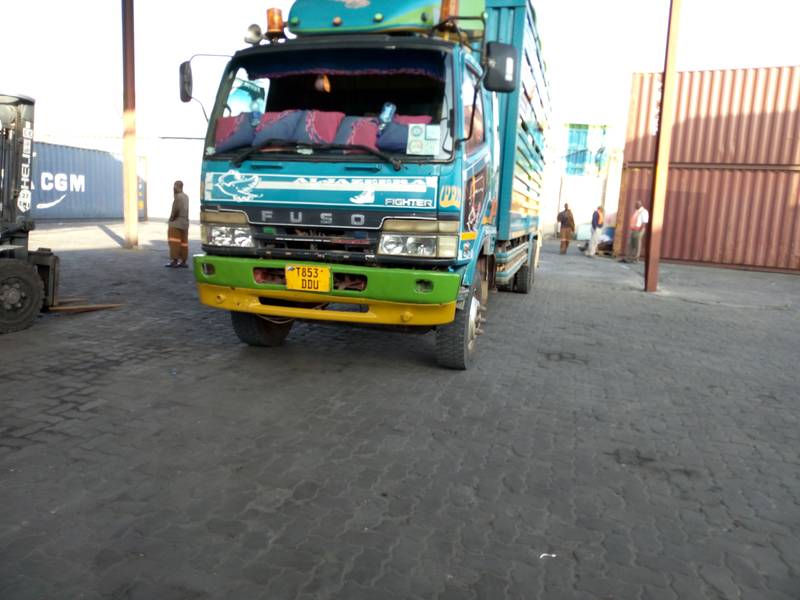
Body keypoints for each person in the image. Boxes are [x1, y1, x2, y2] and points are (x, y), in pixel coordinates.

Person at [166, 180, 190, 268]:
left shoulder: (178, 197)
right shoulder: (186, 196)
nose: (174, 188)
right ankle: (183, 261)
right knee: (184, 243)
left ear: (176, 186)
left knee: (174, 242)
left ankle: (174, 261)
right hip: (185, 223)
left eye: (174, 186)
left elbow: (175, 210)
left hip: (176, 224)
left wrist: (171, 220)